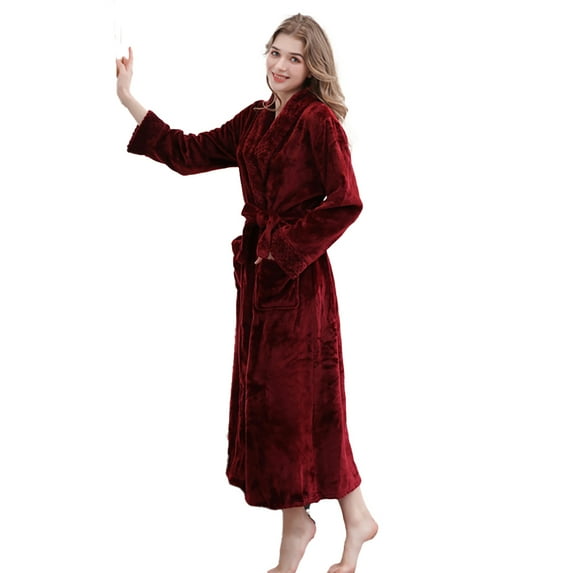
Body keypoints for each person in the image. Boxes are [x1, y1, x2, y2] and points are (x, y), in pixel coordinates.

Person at [116, 13, 377, 573]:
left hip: (298, 285)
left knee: (293, 408)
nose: (280, 66)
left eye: (294, 58)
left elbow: (346, 201)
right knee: (296, 407)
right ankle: (350, 519)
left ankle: (302, 534)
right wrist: (129, 100)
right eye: (274, 52)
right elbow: (189, 153)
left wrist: (280, 250)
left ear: (313, 67)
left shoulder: (318, 122)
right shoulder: (257, 119)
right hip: (260, 285)